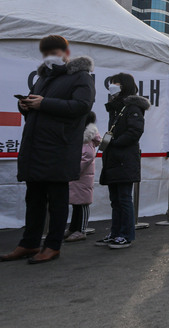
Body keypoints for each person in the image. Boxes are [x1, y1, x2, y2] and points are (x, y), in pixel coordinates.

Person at [2, 35, 95, 264]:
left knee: (57, 199)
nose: (49, 55)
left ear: (66, 51)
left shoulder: (81, 76)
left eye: (54, 51)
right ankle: (29, 243)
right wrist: (26, 105)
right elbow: (39, 106)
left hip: (59, 148)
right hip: (35, 146)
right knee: (33, 198)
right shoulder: (43, 77)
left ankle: (52, 245)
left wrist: (43, 103)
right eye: (46, 51)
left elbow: (82, 106)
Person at [95, 73, 149, 250]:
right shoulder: (117, 107)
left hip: (124, 159)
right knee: (115, 199)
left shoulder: (132, 107)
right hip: (114, 158)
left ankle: (126, 234)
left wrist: (115, 143)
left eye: (116, 83)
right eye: (111, 83)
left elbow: (135, 132)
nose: (112, 86)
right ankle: (116, 232)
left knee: (124, 198)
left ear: (124, 85)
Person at [66, 112, 101, 242]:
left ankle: (81, 230)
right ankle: (74, 228)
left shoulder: (86, 139)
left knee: (83, 204)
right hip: (78, 176)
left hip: (81, 176)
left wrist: (72, 169)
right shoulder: (82, 136)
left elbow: (86, 157)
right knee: (77, 203)